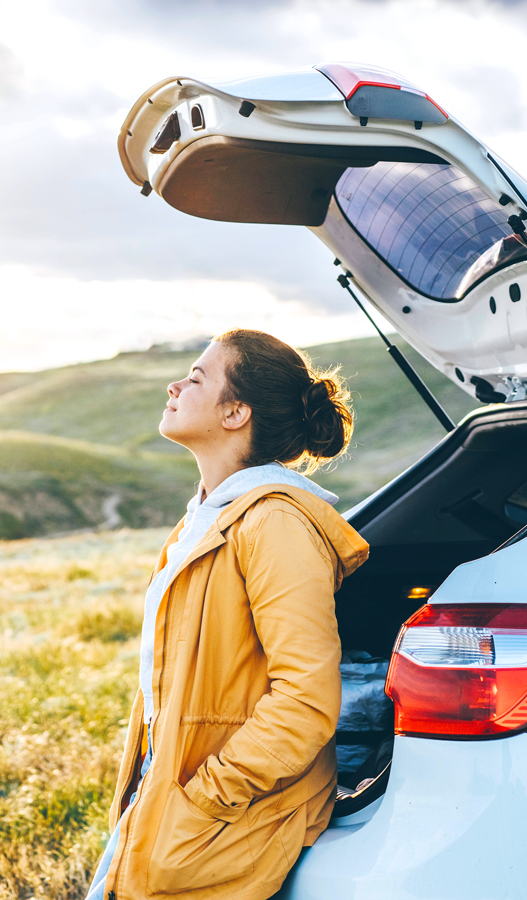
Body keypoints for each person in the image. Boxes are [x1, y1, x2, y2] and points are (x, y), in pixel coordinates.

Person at [84, 329, 369, 900]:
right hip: (167, 802)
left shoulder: (275, 524)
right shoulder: (207, 520)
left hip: (217, 819)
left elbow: (306, 701)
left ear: (236, 412)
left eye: (196, 378)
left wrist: (206, 797)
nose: (175, 385)